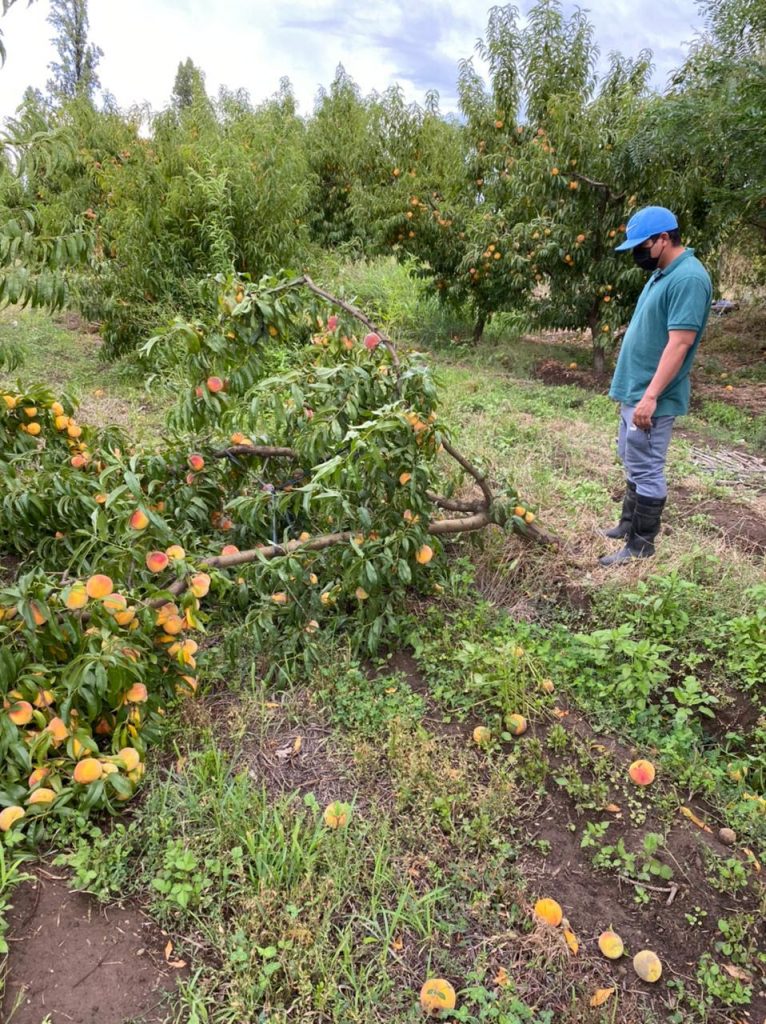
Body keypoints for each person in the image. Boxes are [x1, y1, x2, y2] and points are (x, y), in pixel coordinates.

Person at [600, 206, 712, 566]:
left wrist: (650, 396)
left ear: (664, 239)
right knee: (632, 458)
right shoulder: (664, 273)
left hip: (652, 396)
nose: (638, 254)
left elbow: (679, 344)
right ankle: (627, 525)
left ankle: (640, 546)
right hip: (635, 390)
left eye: (642, 246)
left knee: (647, 467)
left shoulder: (689, 279)